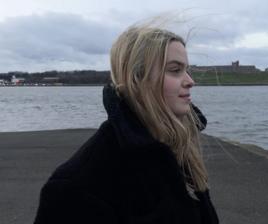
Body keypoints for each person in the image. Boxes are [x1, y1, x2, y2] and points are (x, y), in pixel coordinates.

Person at [34, 24, 219, 224]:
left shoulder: (177, 151)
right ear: (136, 79)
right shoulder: (78, 185)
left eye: (187, 70)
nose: (191, 81)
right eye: (175, 70)